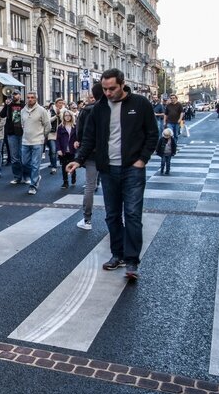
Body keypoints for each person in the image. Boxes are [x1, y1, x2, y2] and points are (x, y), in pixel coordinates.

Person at [66, 68, 158, 281]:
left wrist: (142, 160)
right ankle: (118, 254)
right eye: (105, 89)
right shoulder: (99, 108)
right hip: (108, 169)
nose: (108, 93)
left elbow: (152, 134)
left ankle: (132, 260)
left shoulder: (140, 104)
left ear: (123, 84)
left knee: (133, 215)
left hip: (132, 169)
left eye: (112, 89)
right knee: (112, 215)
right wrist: (78, 160)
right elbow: (89, 138)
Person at [73, 83, 104, 230]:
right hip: (110, 153)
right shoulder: (113, 108)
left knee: (90, 186)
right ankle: (118, 220)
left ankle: (87, 219)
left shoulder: (86, 110)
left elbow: (80, 132)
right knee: (114, 186)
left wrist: (80, 157)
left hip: (91, 153)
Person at [20, 91, 50, 195]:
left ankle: (33, 185)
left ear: (36, 99)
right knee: (24, 163)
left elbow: (47, 125)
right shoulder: (23, 110)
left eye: (32, 97)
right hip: (25, 141)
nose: (30, 99)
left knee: (35, 164)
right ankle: (36, 176)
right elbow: (22, 124)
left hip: (38, 141)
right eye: (28, 97)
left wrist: (42, 136)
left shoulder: (42, 110)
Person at [0, 90, 25, 184]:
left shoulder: (24, 105)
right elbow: (2, 115)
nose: (14, 96)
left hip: (22, 133)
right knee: (14, 157)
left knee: (23, 156)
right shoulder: (9, 105)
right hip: (12, 133)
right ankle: (17, 177)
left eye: (16, 94)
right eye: (13, 95)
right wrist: (6, 105)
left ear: (20, 95)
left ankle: (26, 176)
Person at [56, 110, 77, 189]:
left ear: (71, 116)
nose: (67, 117)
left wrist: (77, 142)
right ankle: (65, 182)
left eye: (69, 115)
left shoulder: (75, 126)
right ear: (63, 117)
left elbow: (78, 137)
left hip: (72, 150)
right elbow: (57, 139)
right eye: (65, 115)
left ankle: (73, 177)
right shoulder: (60, 127)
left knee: (72, 165)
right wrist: (58, 149)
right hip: (63, 150)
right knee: (64, 166)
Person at [46, 98, 65, 175]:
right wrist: (55, 116)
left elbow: (65, 120)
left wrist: (60, 114)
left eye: (62, 103)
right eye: (59, 103)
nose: (61, 104)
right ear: (56, 103)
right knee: (53, 150)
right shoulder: (50, 111)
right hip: (52, 133)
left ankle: (61, 162)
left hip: (61, 133)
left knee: (61, 150)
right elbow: (48, 121)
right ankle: (54, 166)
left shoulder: (64, 110)